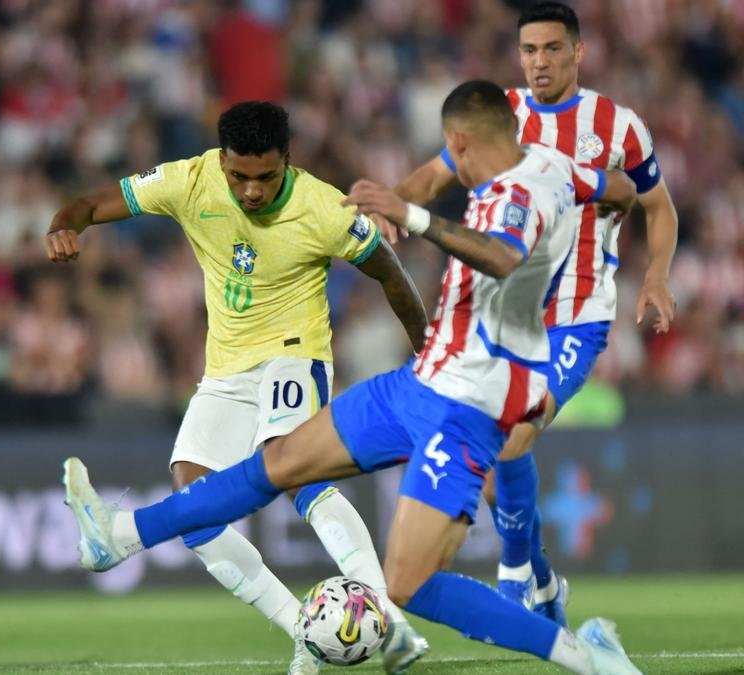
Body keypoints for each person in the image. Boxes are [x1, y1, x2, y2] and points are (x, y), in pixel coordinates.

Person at [61, 80, 645, 675]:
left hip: (470, 404)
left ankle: (574, 646)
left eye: (449, 155)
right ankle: (121, 535)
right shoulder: (556, 170)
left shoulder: (524, 194)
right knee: (280, 462)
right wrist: (614, 212)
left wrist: (413, 215)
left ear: (461, 142)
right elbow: (624, 187)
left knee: (407, 580)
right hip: (420, 382)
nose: (445, 167)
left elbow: (501, 256)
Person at [45, 100, 430, 674]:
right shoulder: (190, 179)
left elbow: (391, 272)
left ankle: (389, 621)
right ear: (221, 160)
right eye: (239, 176)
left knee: (293, 468)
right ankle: (305, 632)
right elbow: (92, 203)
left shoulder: (322, 207)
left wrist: (427, 353)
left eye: (265, 177)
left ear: (287, 161)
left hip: (294, 354)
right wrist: (63, 225)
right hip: (226, 368)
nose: (251, 191)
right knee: (193, 503)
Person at [391, 1, 678, 622]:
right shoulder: (502, 115)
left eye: (551, 49)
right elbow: (433, 176)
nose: (539, 62)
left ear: (578, 52)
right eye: (528, 50)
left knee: (516, 433)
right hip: (504, 316)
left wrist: (656, 274)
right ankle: (544, 581)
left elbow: (658, 206)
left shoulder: (618, 126)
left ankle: (516, 577)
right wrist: (391, 206)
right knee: (497, 458)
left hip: (577, 313)